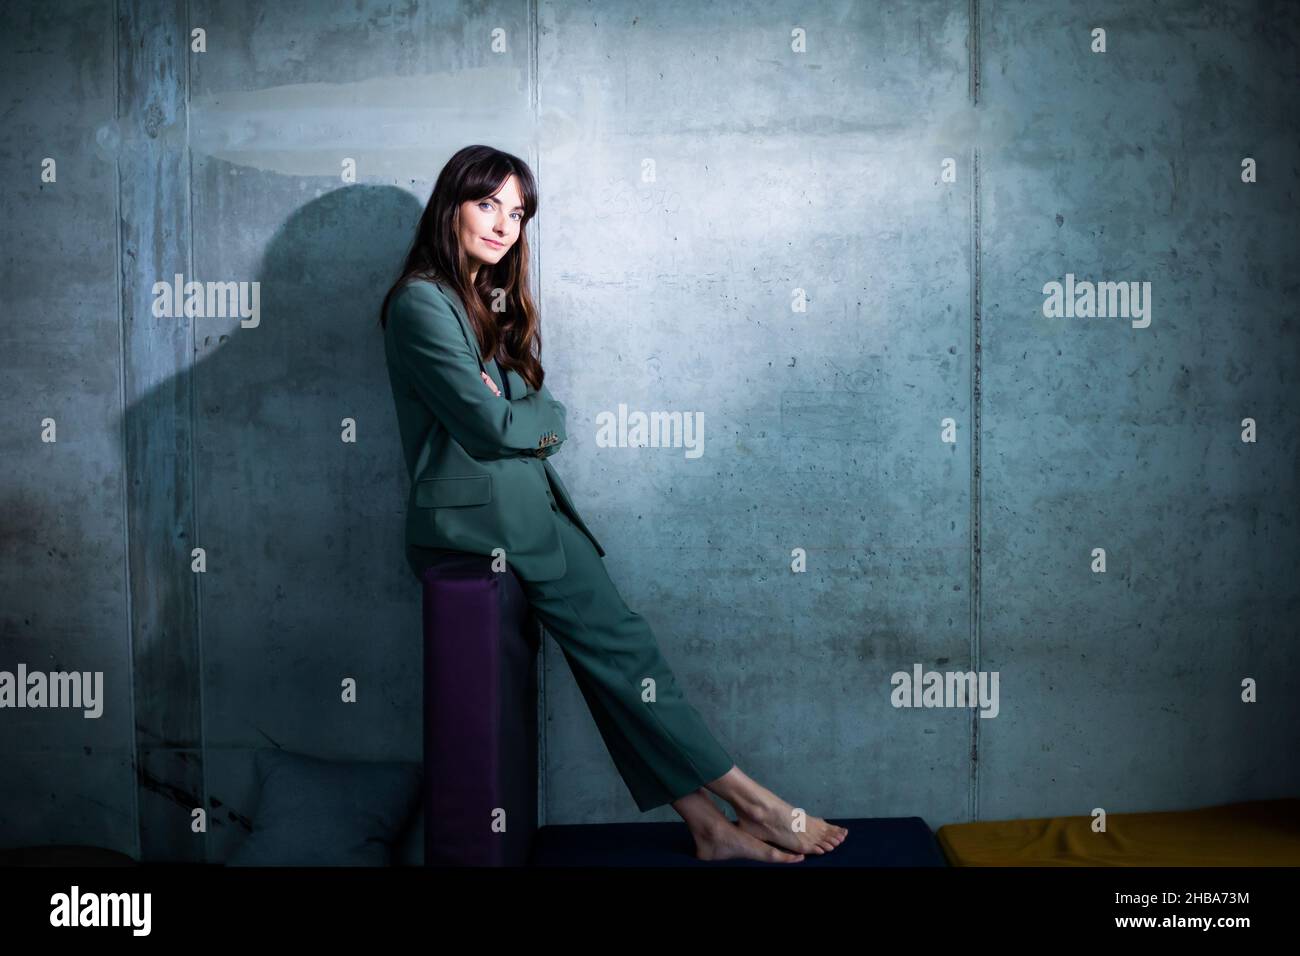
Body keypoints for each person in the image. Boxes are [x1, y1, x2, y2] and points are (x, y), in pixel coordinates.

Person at [378, 144, 847, 862]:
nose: (505, 224)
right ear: (452, 205)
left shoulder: (486, 302)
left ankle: (709, 827)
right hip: (479, 525)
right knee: (629, 655)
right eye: (488, 204)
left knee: (614, 663)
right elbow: (496, 423)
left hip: (529, 513)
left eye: (518, 212)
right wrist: (537, 418)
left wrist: (534, 413)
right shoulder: (420, 302)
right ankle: (755, 802)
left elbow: (533, 408)